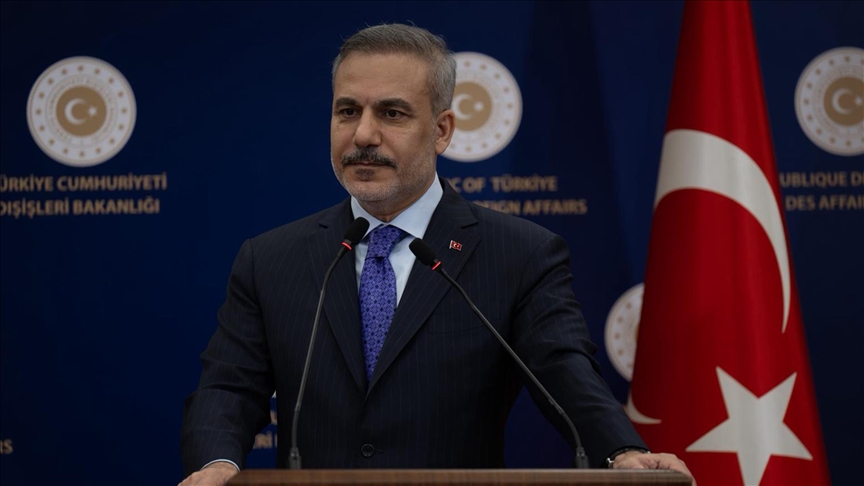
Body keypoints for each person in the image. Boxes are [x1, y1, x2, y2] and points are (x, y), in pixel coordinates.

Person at [179, 23, 694, 486]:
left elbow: (564, 373)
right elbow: (228, 387)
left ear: (442, 130)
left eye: (392, 113)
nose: (363, 134)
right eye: (348, 111)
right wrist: (216, 464)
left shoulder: (518, 254)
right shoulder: (271, 259)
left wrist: (622, 452)